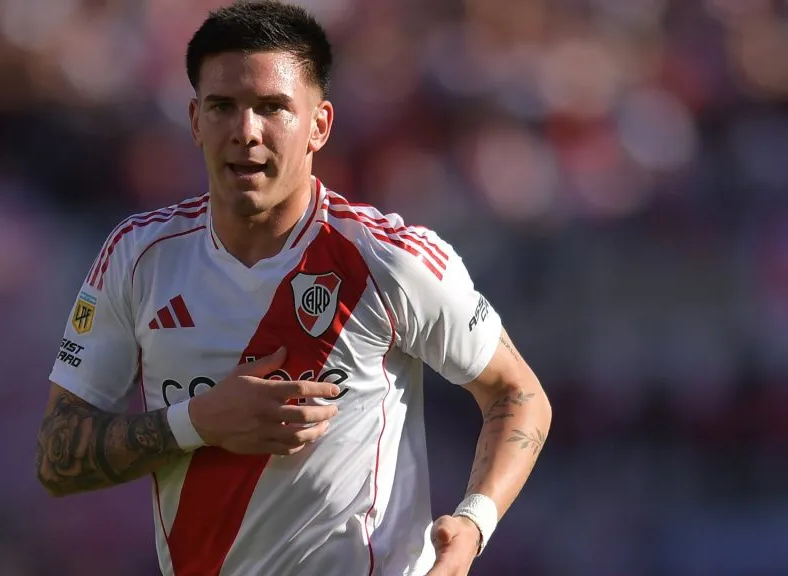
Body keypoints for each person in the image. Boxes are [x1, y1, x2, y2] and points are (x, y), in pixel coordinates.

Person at [36, 2, 552, 575]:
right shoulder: (138, 257)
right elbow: (59, 457)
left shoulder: (390, 260)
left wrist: (474, 522)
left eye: (273, 108)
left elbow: (518, 394)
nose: (246, 132)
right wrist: (197, 422)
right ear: (194, 121)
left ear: (319, 125)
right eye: (223, 107)